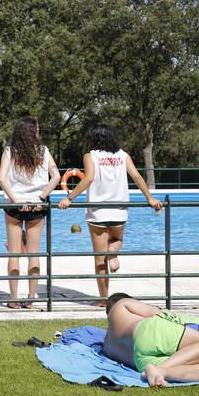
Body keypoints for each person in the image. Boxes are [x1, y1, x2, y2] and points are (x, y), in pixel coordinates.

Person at [58, 125, 161, 305]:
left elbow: (89, 178)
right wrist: (150, 198)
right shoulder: (123, 155)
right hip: (119, 210)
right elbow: (137, 177)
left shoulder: (90, 156)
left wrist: (69, 198)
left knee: (100, 258)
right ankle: (113, 251)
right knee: (116, 240)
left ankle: (103, 299)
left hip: (98, 212)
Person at [0, 116, 60, 309]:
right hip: (37, 205)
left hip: (14, 205)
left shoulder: (9, 151)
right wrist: (42, 196)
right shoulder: (44, 151)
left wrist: (15, 200)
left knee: (14, 254)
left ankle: (14, 299)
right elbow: (56, 176)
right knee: (34, 253)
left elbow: (2, 179)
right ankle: (31, 298)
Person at [102, 293, 199, 387]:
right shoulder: (121, 303)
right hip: (147, 330)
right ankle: (161, 368)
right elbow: (156, 312)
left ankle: (162, 372)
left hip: (139, 360)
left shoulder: (107, 345)